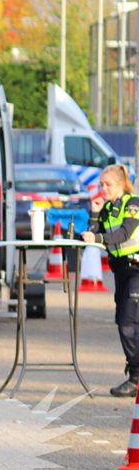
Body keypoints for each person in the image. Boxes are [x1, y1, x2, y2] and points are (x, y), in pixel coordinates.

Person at [81, 164, 139, 397]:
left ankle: (135, 378)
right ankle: (135, 375)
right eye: (101, 185)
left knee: (127, 323)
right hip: (121, 271)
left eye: (108, 184)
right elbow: (93, 237)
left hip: (137, 269)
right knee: (124, 322)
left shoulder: (133, 204)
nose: (103, 189)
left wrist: (96, 235)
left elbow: (124, 233)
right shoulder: (107, 208)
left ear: (121, 184)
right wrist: (95, 213)